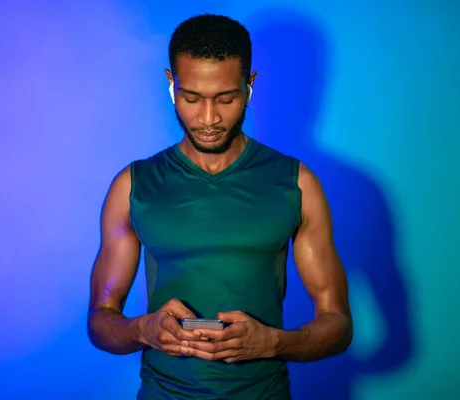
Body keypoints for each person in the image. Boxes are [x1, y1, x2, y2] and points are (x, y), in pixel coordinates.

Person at [87, 13, 353, 400]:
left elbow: (338, 323)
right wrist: (142, 330)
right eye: (191, 98)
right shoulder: (134, 186)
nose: (208, 118)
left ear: (249, 86)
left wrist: (272, 343)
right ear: (170, 84)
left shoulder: (296, 183)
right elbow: (100, 320)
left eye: (225, 98)